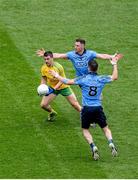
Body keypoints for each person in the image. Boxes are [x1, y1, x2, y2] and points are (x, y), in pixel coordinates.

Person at [49, 53, 123, 160]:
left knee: (85, 129)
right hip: (98, 108)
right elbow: (115, 77)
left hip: (86, 109)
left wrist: (56, 75)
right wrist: (114, 64)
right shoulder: (101, 79)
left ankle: (93, 146)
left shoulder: (82, 79)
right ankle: (110, 142)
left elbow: (68, 81)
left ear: (88, 68)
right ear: (97, 68)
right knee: (105, 128)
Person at [37, 38, 119, 77]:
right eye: (75, 45)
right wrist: (46, 54)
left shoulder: (90, 53)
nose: (75, 47)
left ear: (83, 46)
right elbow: (59, 55)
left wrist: (111, 56)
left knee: (98, 94)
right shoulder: (71, 54)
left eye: (77, 45)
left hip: (92, 75)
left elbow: (102, 56)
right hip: (81, 78)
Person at [39, 51, 81, 121]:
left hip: (63, 87)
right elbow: (43, 78)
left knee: (75, 105)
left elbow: (62, 80)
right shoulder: (43, 68)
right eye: (45, 59)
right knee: (43, 105)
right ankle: (52, 112)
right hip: (52, 88)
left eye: (48, 59)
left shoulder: (58, 67)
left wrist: (54, 89)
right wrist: (41, 88)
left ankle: (88, 117)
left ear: (52, 58)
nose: (46, 61)